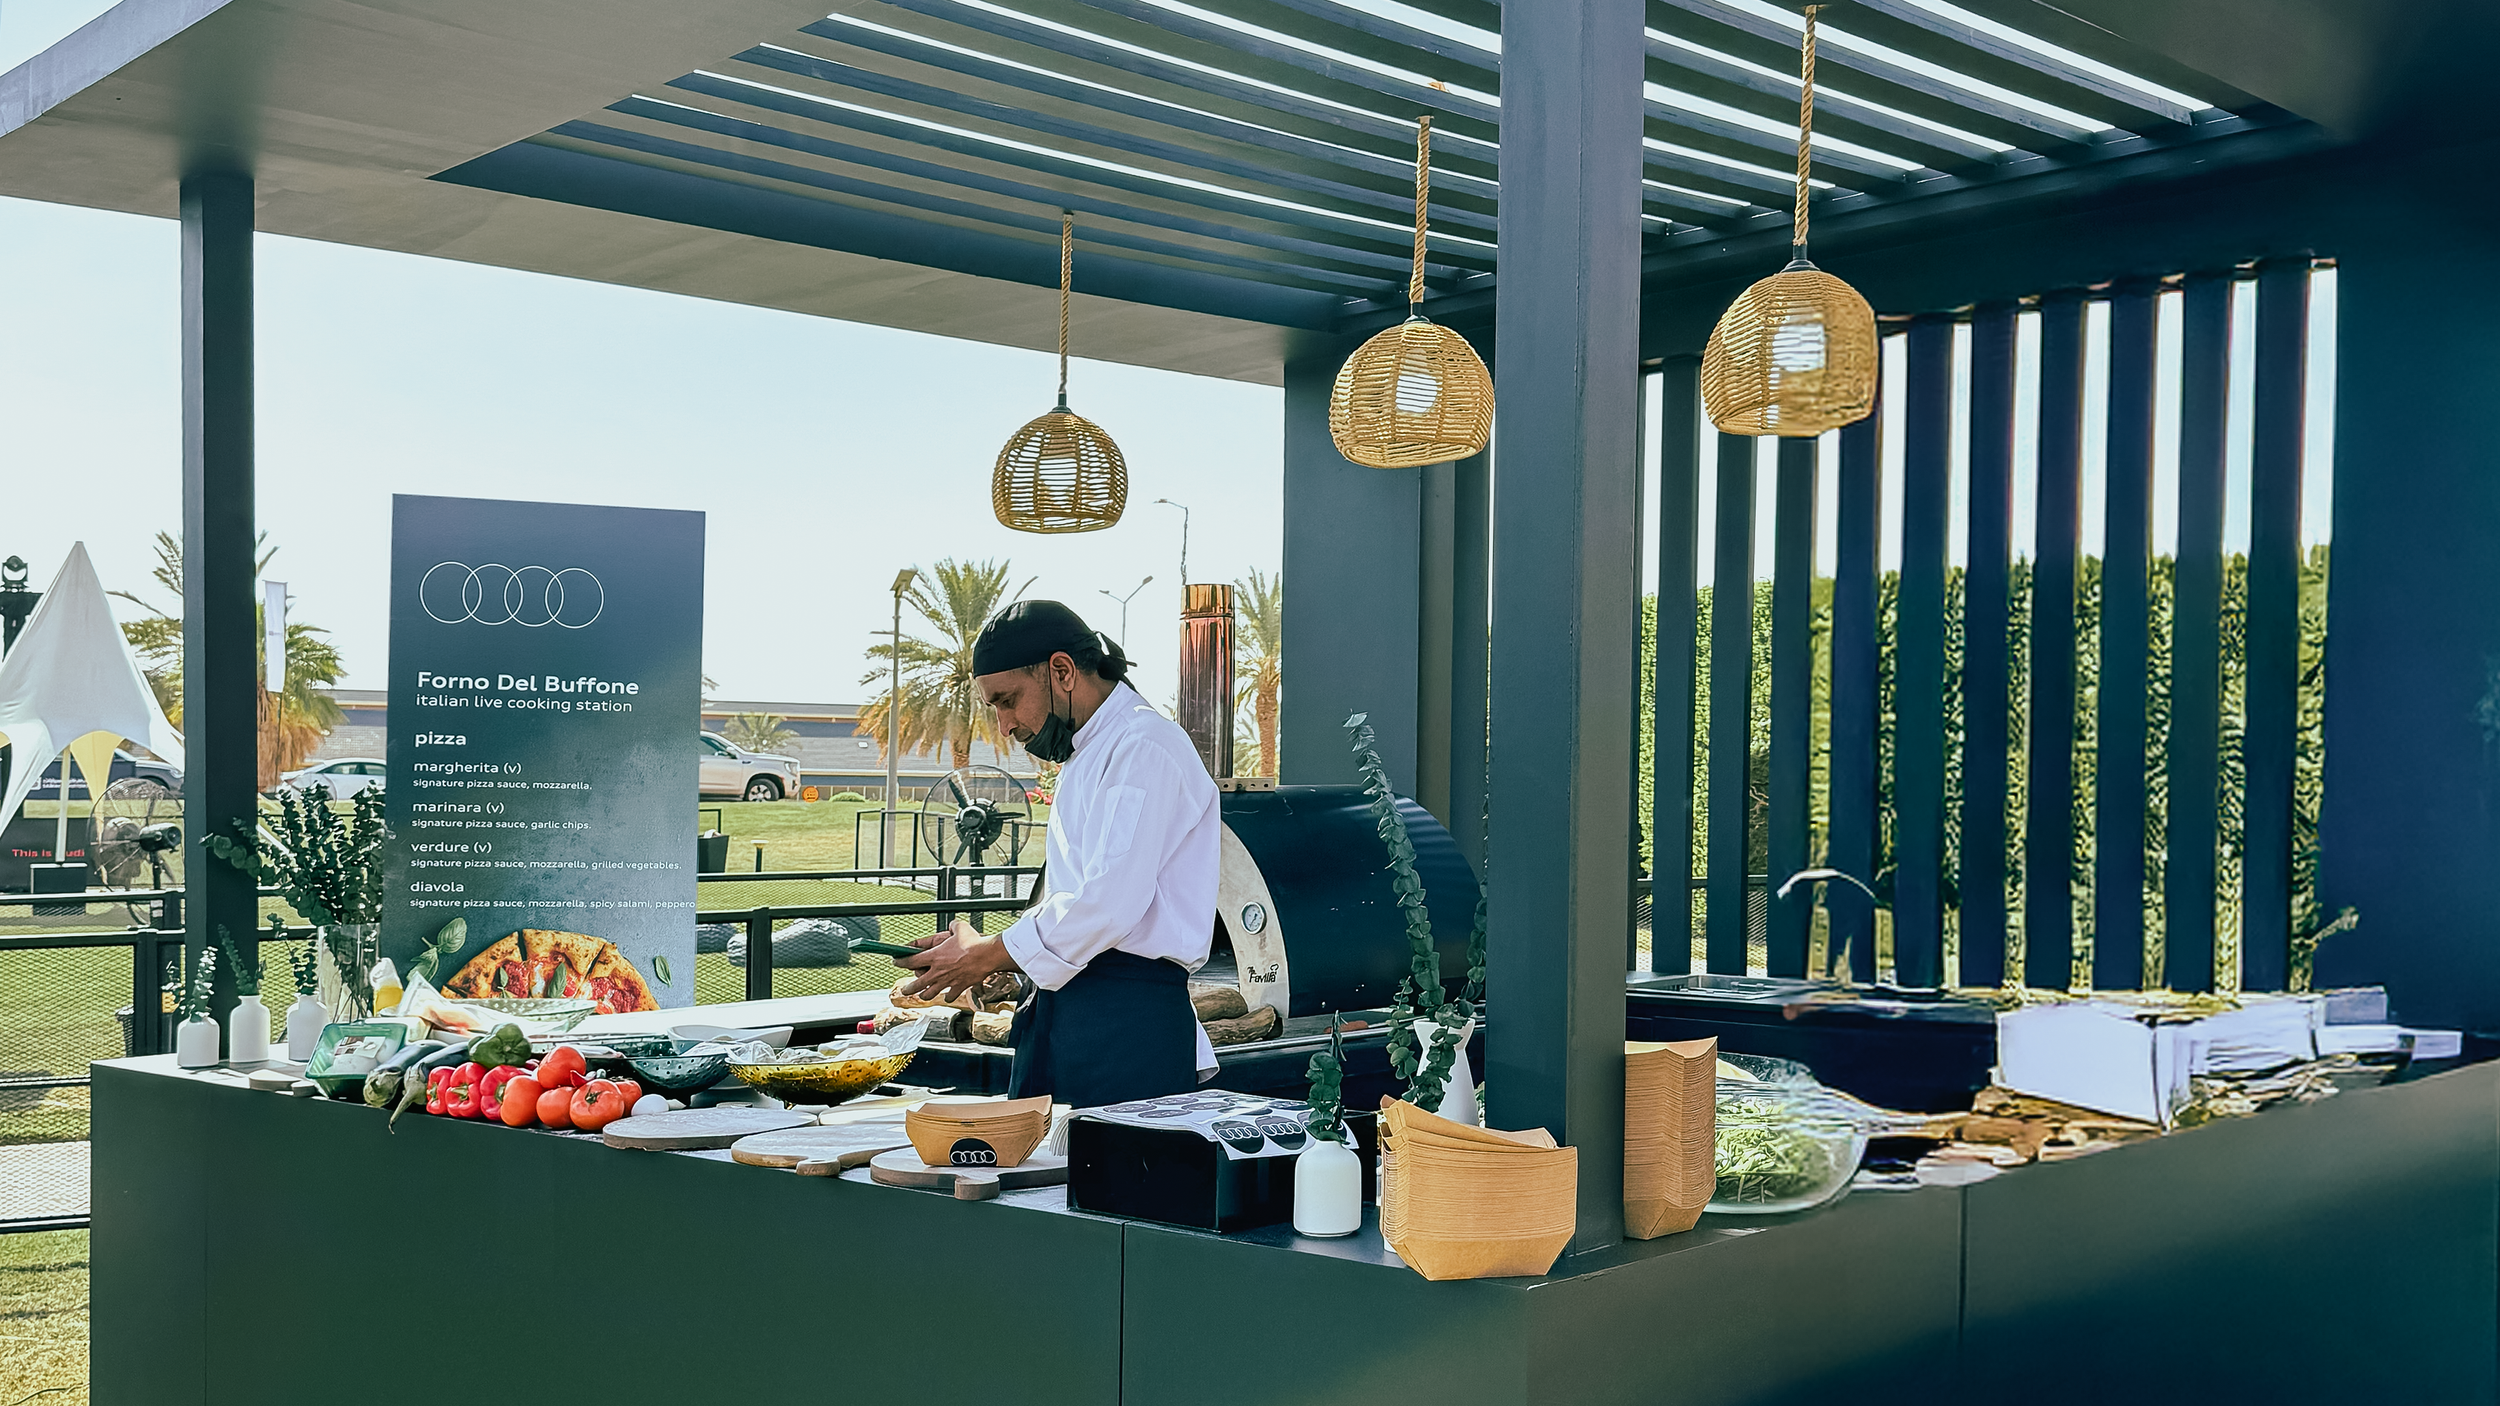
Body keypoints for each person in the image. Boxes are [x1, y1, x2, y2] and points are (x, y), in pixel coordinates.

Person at [897, 599, 1218, 1108]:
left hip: (1123, 1028)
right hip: (1067, 1017)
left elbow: (1111, 904)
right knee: (1034, 1184)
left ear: (1062, 671)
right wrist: (1002, 959)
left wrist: (991, 954)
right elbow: (1078, 899)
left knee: (1115, 1186)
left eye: (1007, 700)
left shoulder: (1142, 745)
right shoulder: (1087, 752)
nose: (1004, 726)